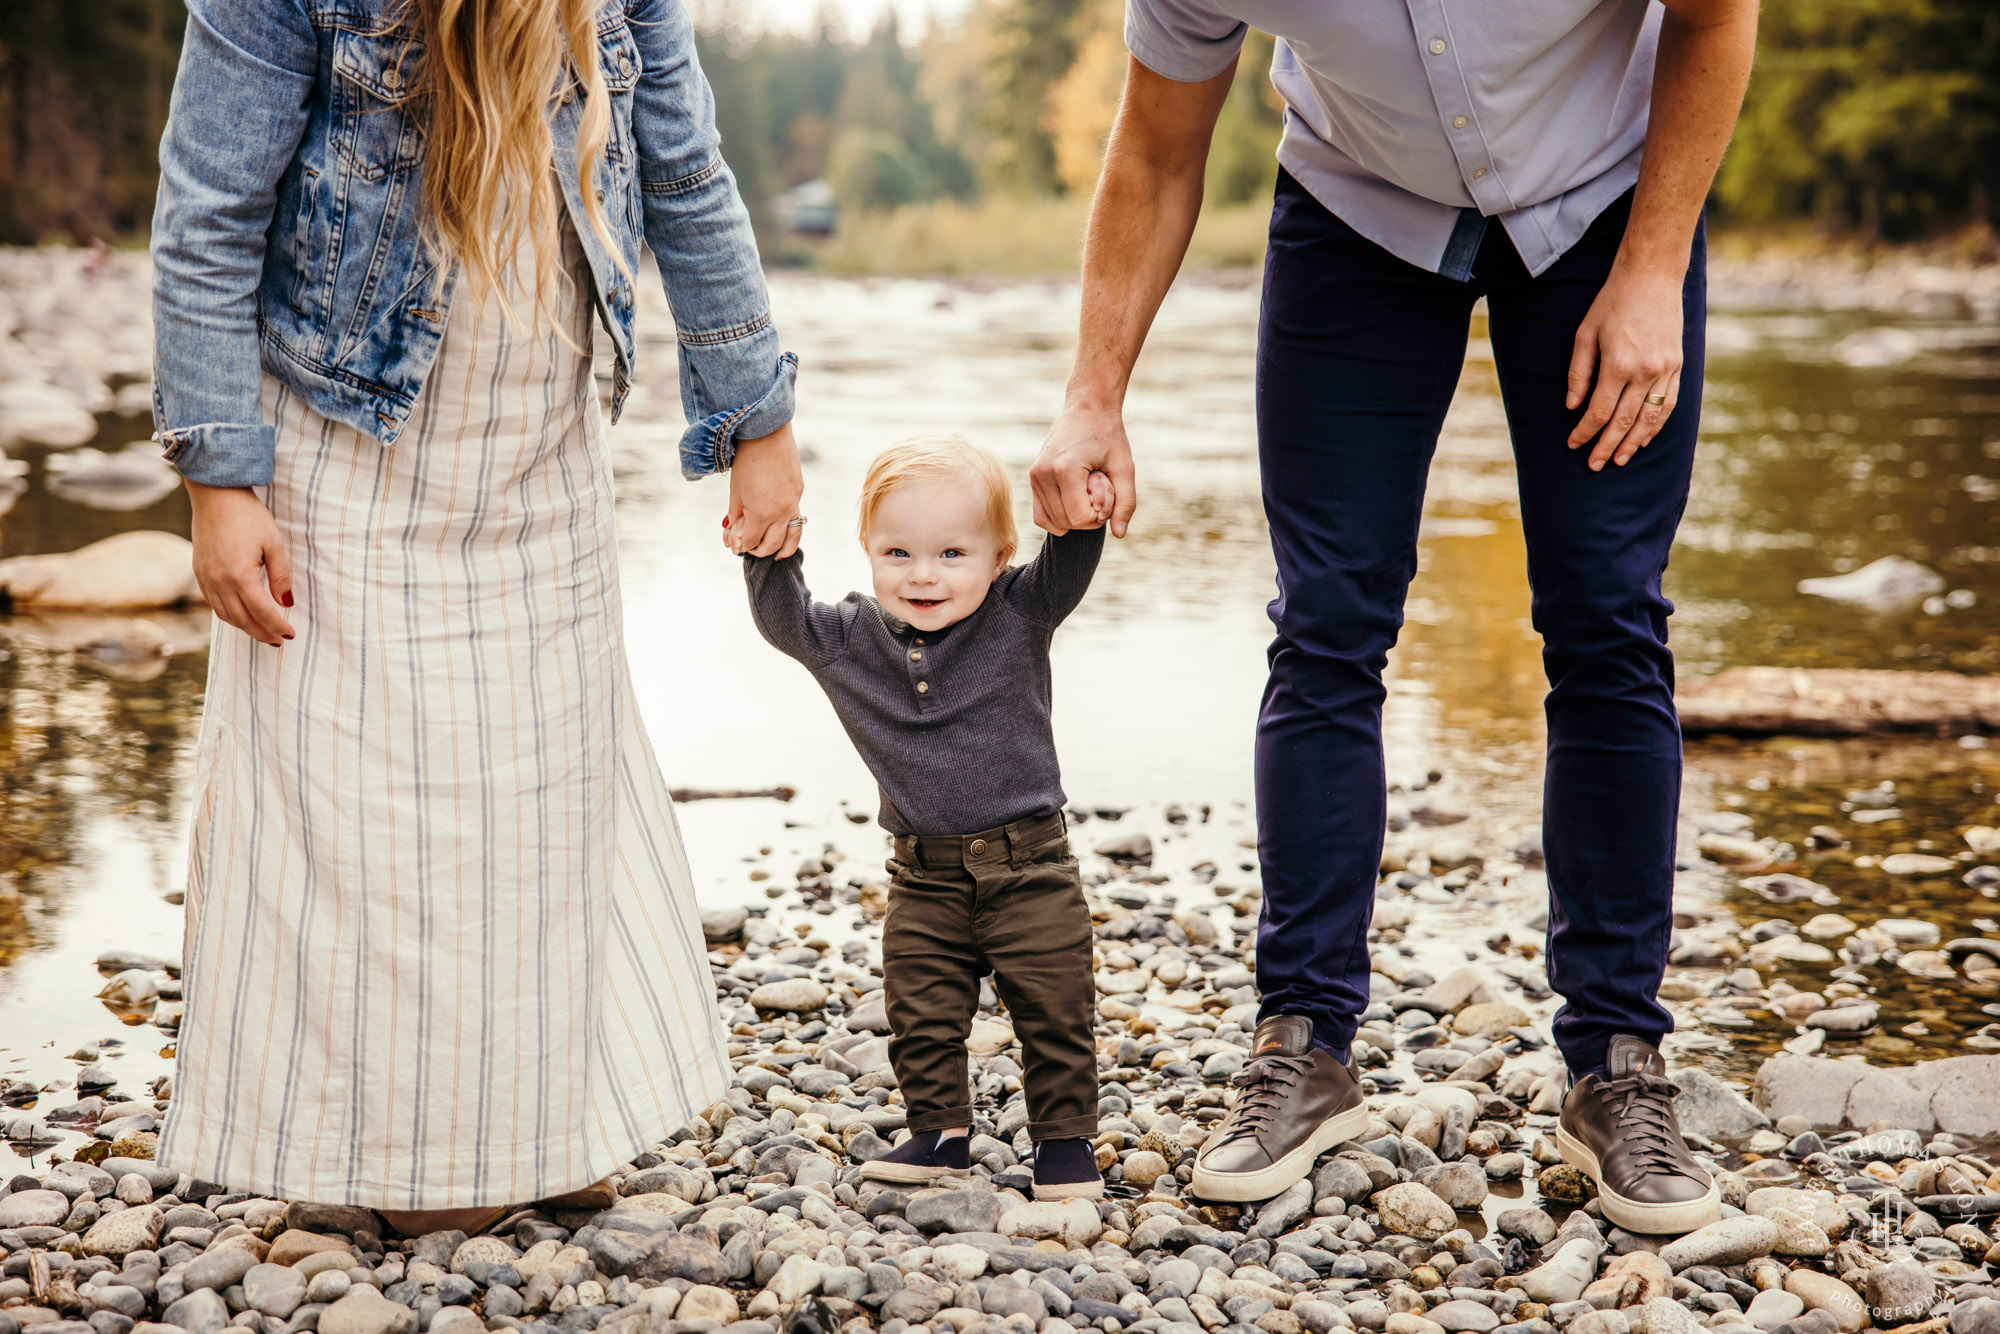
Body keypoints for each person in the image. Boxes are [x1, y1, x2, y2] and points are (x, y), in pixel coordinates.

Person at [1029, 0, 1758, 1234]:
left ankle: (1616, 1060)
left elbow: (1713, 13)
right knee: (1323, 623)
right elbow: (1154, 148)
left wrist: (1649, 269)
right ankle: (1302, 1042)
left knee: (1605, 619)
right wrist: (1090, 395)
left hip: (1601, 200)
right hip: (1356, 211)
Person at [149, 0, 804, 1234]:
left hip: (537, 426)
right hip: (343, 431)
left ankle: (537, 1126)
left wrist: (755, 421)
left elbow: (686, 175)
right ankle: (397, 1154)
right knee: (365, 819)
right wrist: (218, 480)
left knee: (545, 801)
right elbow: (207, 212)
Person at [741, 437, 1111, 1201]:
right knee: (921, 1010)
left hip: (1030, 867)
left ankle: (1065, 1143)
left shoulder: (1017, 611)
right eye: (898, 552)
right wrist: (767, 546)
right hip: (925, 879)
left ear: (1000, 554)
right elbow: (784, 623)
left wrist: (1080, 514)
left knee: (1055, 1006)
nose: (923, 574)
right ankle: (939, 1134)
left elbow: (1068, 565)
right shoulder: (850, 639)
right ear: (869, 552)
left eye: (951, 553)